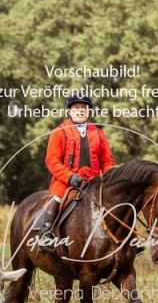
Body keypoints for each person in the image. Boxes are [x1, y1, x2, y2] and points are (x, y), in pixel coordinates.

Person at [35, 94, 116, 250]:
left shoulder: (98, 133)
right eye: (76, 108)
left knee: (116, 200)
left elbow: (107, 161)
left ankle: (129, 237)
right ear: (70, 111)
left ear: (89, 112)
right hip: (66, 182)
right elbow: (52, 160)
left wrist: (110, 177)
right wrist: (70, 177)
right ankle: (46, 234)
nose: (80, 111)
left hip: (95, 183)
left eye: (84, 108)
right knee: (57, 199)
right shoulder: (59, 132)